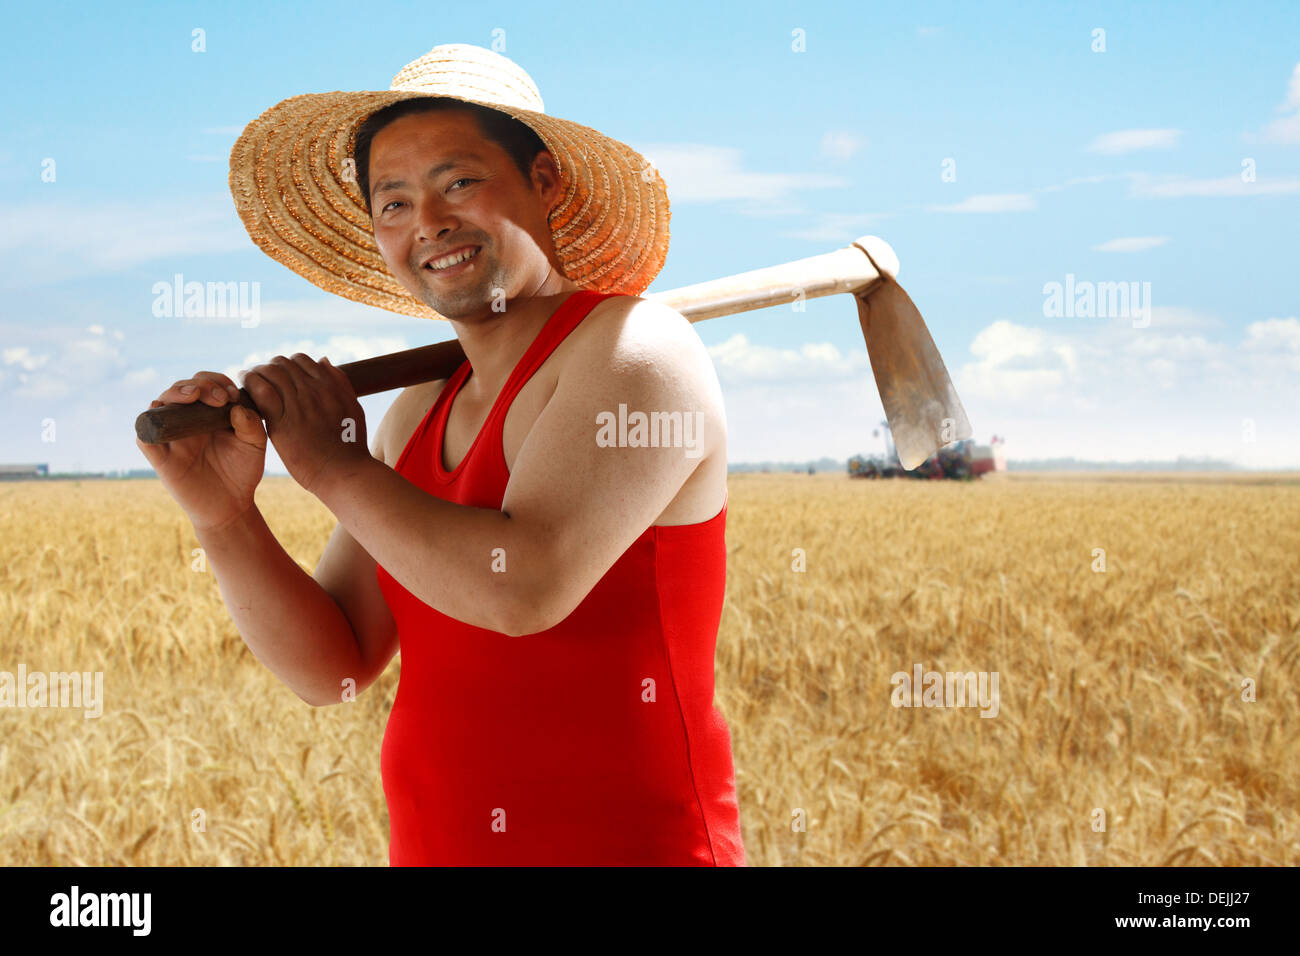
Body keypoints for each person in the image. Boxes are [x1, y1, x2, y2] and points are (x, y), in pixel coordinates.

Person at [135, 43, 745, 866]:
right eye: (394, 202)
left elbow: (524, 587)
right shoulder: (421, 409)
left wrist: (333, 468)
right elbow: (334, 668)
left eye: (459, 183)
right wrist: (224, 518)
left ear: (544, 181)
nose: (428, 222)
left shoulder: (637, 351)